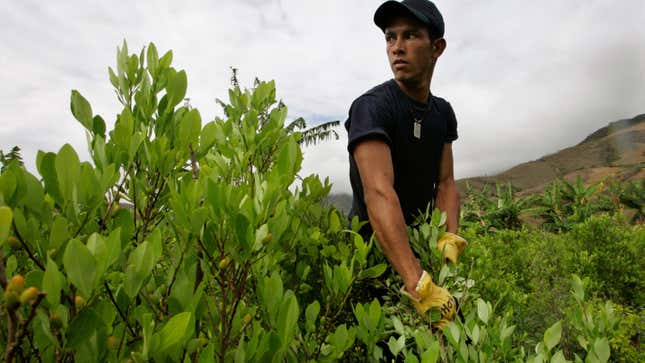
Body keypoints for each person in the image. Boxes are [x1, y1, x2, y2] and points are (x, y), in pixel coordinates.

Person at [344, 0, 468, 329]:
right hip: (371, 263)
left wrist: (448, 245)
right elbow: (379, 193)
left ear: (436, 47)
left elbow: (445, 184)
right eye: (390, 37)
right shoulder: (371, 108)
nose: (397, 48)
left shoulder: (442, 113)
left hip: (418, 251)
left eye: (410, 36)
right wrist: (420, 285)